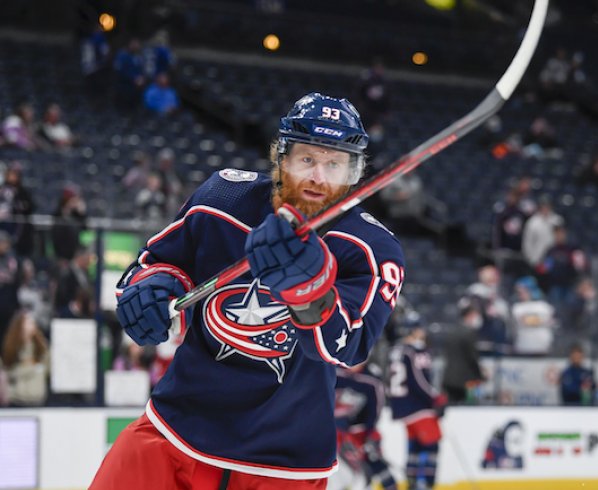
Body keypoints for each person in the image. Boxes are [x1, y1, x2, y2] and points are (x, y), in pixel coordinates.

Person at [92, 92, 404, 489]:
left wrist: (309, 288)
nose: (319, 178)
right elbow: (156, 262)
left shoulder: (371, 248)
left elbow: (349, 345)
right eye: (307, 159)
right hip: (175, 430)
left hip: (282, 463)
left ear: (354, 172)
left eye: (334, 164)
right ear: (281, 157)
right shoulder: (222, 199)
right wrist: (151, 288)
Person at [387, 316, 446, 490]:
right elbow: (417, 379)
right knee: (431, 445)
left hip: (402, 406)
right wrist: (434, 397)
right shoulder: (414, 351)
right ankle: (427, 484)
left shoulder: (397, 349)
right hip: (418, 405)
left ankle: (412, 482)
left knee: (415, 446)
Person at [329, 361, 397, 490]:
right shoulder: (334, 371)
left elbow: (375, 409)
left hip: (359, 432)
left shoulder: (371, 379)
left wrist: (370, 433)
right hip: (334, 432)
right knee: (339, 468)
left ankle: (390, 487)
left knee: (373, 460)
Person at [441, 304, 485, 404]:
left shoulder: (451, 332)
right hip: (467, 381)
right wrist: (481, 375)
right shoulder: (469, 333)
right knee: (469, 410)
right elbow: (472, 358)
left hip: (449, 378)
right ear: (469, 315)